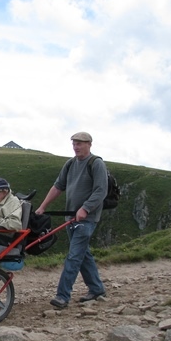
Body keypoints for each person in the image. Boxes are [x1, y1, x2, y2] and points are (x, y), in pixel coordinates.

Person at [35, 132, 107, 309]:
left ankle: (62, 296)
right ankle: (97, 288)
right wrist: (43, 206)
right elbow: (58, 186)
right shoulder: (70, 164)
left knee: (74, 256)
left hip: (87, 218)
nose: (76, 147)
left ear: (89, 144)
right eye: (74, 143)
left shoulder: (96, 163)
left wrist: (85, 208)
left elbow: (101, 191)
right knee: (83, 255)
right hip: (71, 217)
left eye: (80, 144)